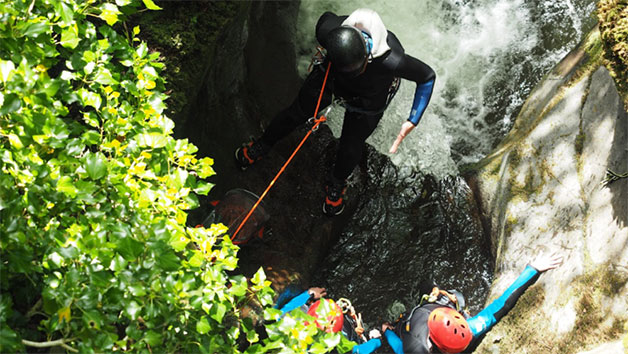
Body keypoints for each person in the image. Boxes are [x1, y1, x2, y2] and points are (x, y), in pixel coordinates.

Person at [235, 8, 436, 216]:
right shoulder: (327, 31)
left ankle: (336, 183)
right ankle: (262, 145)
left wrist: (412, 119)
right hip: (330, 78)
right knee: (295, 113)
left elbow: (427, 76)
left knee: (350, 146)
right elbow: (326, 16)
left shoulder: (392, 60)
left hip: (368, 97)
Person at [379, 252, 563, 353]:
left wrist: (387, 332)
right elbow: (500, 306)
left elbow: (398, 347)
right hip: (429, 312)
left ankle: (418, 301)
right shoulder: (468, 330)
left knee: (434, 298)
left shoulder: (418, 346)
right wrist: (532, 270)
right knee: (450, 297)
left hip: (424, 314)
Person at [276, 286, 386, 353]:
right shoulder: (335, 347)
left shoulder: (287, 322)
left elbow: (282, 312)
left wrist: (309, 294)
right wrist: (377, 340)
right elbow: (360, 351)